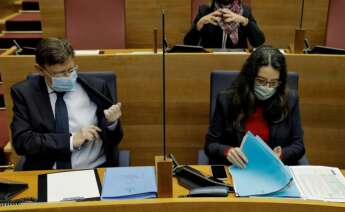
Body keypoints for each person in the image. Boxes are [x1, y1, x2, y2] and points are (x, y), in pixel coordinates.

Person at [10, 38, 123, 170]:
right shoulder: (25, 93)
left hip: (93, 168)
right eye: (59, 74)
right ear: (40, 70)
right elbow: (22, 142)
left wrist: (111, 124)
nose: (68, 77)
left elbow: (114, 140)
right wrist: (70, 141)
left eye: (70, 70)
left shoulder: (97, 87)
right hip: (46, 172)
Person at [205, 46, 305, 167]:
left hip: (272, 170)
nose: (267, 87)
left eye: (273, 83)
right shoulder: (226, 100)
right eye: (261, 81)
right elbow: (211, 145)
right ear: (250, 77)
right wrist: (228, 151)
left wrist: (281, 154)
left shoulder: (290, 100)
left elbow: (298, 146)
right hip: (238, 169)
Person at [184, 0, 265, 49]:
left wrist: (245, 21)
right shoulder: (205, 10)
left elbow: (258, 42)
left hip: (236, 62)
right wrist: (199, 24)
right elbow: (188, 44)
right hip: (209, 61)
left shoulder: (245, 11)